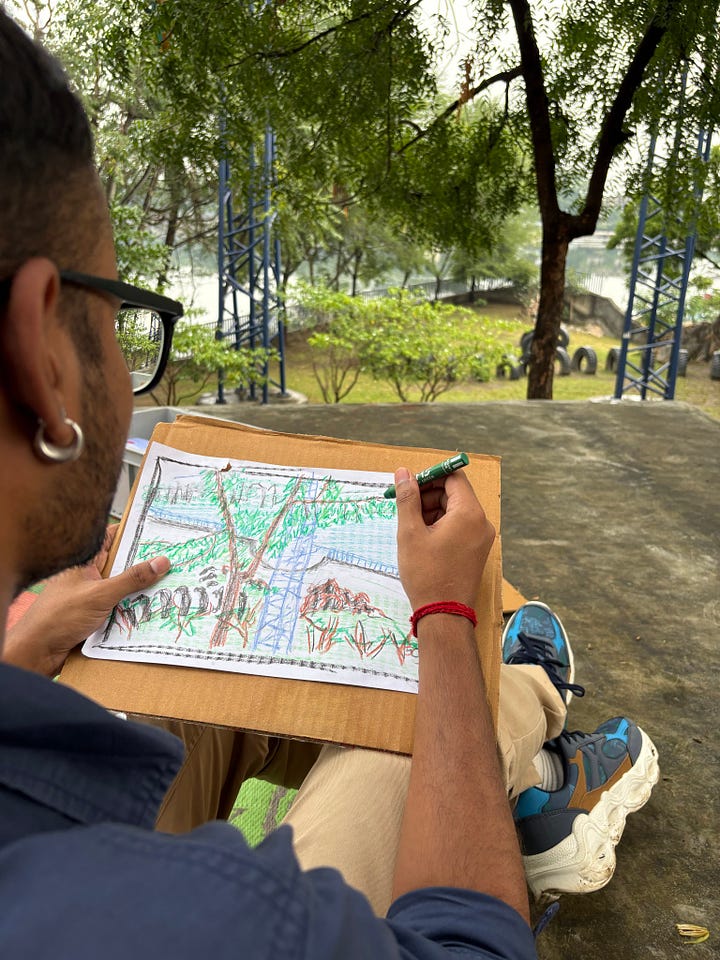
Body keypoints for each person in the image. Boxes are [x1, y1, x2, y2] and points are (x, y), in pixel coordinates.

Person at [0, 11, 657, 957]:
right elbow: (472, 946)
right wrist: (443, 619)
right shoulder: (224, 923)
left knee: (141, 707)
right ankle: (536, 733)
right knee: (429, 711)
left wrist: (18, 659)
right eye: (120, 310)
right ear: (40, 350)